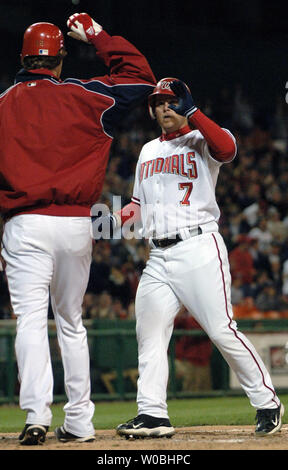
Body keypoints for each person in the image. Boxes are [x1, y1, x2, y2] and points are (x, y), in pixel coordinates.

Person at [96, 77, 284, 438]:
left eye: (170, 101)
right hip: (158, 256)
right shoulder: (148, 150)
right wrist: (110, 221)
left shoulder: (201, 138)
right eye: (158, 103)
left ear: (184, 104)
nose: (163, 107)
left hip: (198, 246)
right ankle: (152, 414)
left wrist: (194, 111)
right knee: (149, 334)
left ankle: (266, 402)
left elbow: (228, 149)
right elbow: (137, 206)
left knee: (221, 330)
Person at [0, 12, 155, 445]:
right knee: (71, 322)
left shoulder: (2, 105)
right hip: (75, 224)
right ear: (60, 59)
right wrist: (99, 36)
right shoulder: (86, 95)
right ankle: (81, 422)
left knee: (30, 321)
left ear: (24, 59)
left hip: (23, 223)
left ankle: (35, 416)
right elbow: (142, 79)